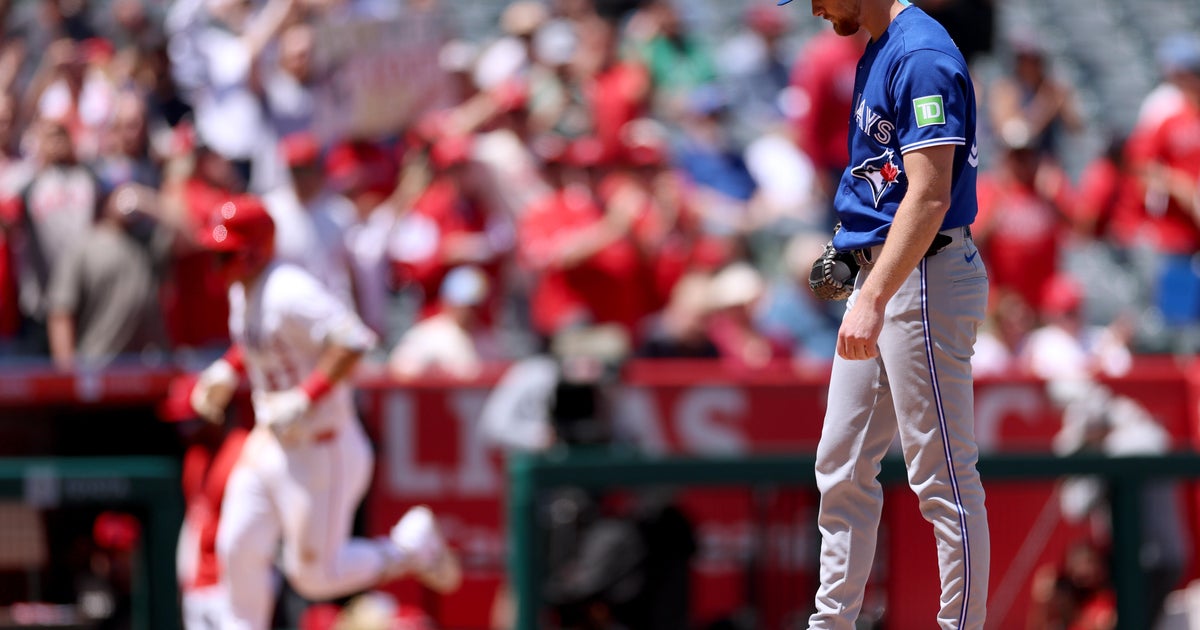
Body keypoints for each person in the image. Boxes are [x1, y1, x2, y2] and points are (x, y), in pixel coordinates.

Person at [777, 0, 990, 627]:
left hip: (924, 273)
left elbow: (929, 196)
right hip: (888, 270)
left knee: (942, 476)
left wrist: (871, 297)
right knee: (840, 466)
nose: (813, 7)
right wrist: (850, 257)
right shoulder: (879, 45)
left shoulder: (921, 53)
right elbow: (889, 184)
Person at [184, 194, 461, 629]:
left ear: (255, 249)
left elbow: (352, 339)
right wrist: (227, 368)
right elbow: (262, 339)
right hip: (271, 444)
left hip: (321, 448)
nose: (218, 263)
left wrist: (306, 395)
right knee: (236, 545)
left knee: (313, 576)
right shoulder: (246, 288)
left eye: (226, 252)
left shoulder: (289, 288)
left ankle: (410, 547)